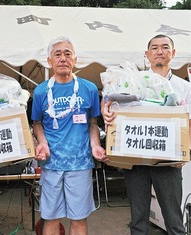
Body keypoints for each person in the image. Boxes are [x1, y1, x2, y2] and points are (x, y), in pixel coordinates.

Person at [102, 34, 191, 235]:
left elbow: (189, 124)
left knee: (174, 220)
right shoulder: (134, 81)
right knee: (138, 219)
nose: (160, 51)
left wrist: (185, 153)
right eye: (155, 48)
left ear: (173, 53)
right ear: (147, 54)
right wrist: (105, 110)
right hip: (136, 160)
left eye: (165, 47)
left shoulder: (185, 87)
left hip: (168, 161)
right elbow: (110, 101)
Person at [31, 36, 108, 235]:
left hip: (80, 163)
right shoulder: (40, 92)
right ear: (49, 61)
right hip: (51, 163)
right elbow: (37, 123)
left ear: (75, 59)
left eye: (68, 54)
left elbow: (92, 123)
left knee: (79, 218)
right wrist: (42, 143)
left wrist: (95, 146)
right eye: (57, 54)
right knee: (51, 217)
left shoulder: (89, 88)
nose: (63, 58)